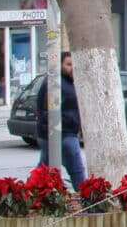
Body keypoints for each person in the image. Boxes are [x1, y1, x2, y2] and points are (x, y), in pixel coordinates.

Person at [33, 51, 87, 187]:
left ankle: (29, 191)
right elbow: (46, 110)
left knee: (43, 169)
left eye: (74, 64)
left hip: (63, 132)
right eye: (68, 64)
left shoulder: (71, 83)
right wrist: (67, 123)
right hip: (60, 133)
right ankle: (85, 194)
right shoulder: (55, 83)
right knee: (76, 169)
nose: (72, 68)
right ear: (60, 65)